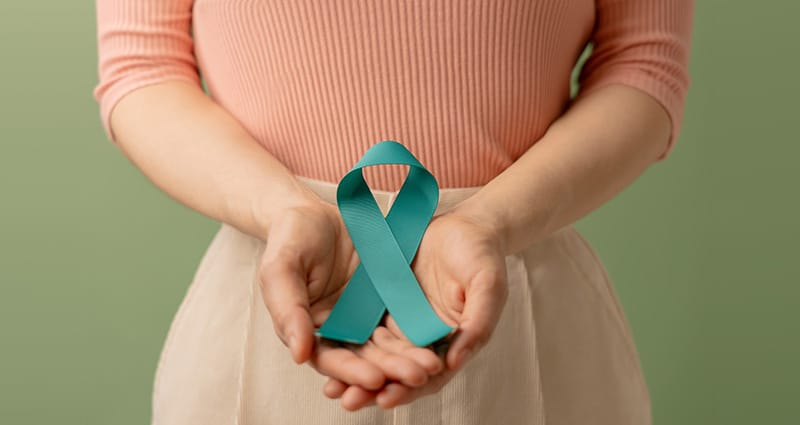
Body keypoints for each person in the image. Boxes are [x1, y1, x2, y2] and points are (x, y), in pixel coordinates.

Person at [93, 1, 693, 424]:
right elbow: (142, 63)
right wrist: (282, 210)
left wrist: (490, 222)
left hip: (517, 296)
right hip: (278, 289)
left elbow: (643, 62)